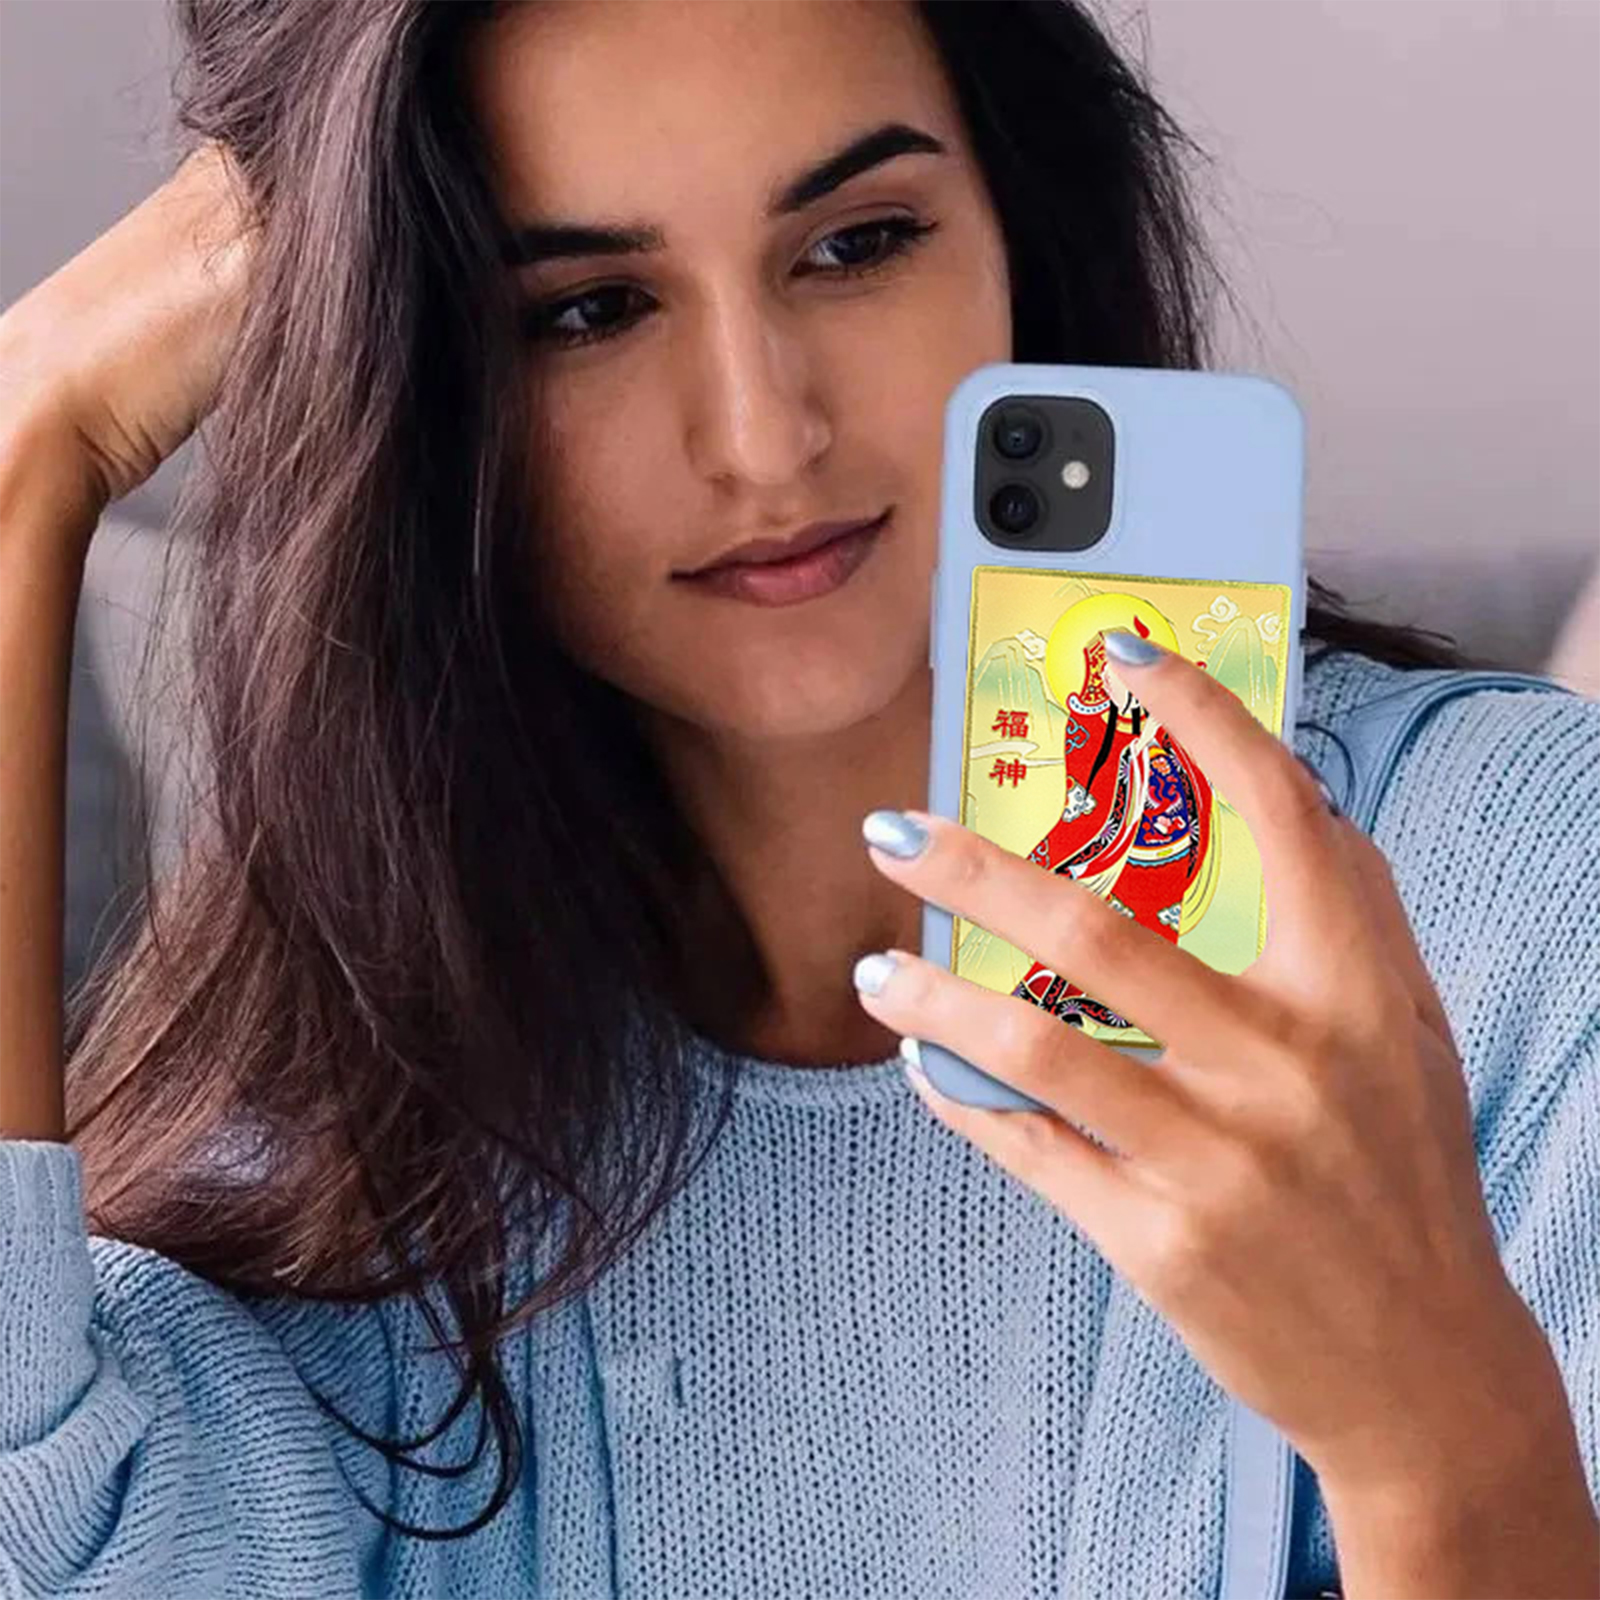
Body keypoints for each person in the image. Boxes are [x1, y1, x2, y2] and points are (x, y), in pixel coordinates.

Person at [0, 2, 1595, 1596]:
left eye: (857, 244)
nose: (766, 438)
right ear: (404, 383)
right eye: (588, 310)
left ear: (1015, 226)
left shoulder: (1516, 893)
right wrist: (29, 447)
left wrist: (1434, 1442)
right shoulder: (365, 1145)